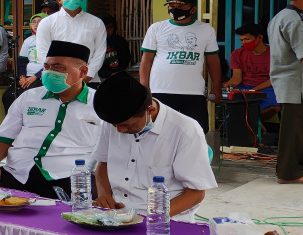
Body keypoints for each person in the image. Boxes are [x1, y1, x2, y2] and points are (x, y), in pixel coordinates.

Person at [0, 41, 102, 199]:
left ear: (82, 71)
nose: (49, 72)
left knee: (82, 215)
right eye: (46, 67)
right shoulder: (30, 97)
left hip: (70, 177)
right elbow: (5, 135)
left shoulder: (100, 104)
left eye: (58, 67)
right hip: (18, 172)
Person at [91, 72, 217, 222]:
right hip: (116, 217)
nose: (119, 130)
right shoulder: (116, 120)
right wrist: (104, 195)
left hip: (165, 223)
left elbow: (195, 193)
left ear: (150, 110)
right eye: (115, 125)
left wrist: (153, 218)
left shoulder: (185, 131)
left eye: (127, 125)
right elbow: (103, 163)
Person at [139, 0, 221, 134]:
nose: (174, 9)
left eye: (180, 6)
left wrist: (217, 87)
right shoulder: (156, 28)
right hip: (161, 90)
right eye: (171, 6)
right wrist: (144, 87)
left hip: (194, 92)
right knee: (158, 132)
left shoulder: (206, 30)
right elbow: (147, 59)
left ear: (193, 9)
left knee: (196, 132)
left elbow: (213, 60)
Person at [267, 0, 303, 183]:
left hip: (293, 83)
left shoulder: (282, 16)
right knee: (295, 133)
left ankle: (296, 170)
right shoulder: (299, 21)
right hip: (299, 84)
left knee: (298, 131)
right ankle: (289, 174)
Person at [35, 0, 107, 84]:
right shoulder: (47, 22)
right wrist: (59, 76)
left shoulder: (96, 23)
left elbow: (99, 53)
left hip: (88, 80)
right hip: (56, 80)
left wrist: (86, 76)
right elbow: (43, 53)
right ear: (59, 0)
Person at [223, 24, 280, 121]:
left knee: (275, 107)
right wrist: (228, 85)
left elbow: (274, 79)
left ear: (260, 37)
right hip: (245, 87)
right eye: (241, 40)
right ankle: (253, 126)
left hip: (268, 87)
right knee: (233, 108)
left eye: (247, 39)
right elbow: (237, 78)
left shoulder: (275, 54)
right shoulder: (237, 54)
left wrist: (254, 90)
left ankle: (255, 124)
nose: (244, 43)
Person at [2, 13, 47, 111]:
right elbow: (22, 62)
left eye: (39, 22)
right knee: (8, 96)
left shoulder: (51, 41)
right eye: (33, 22)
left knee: (26, 97)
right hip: (27, 77)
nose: (36, 24)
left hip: (43, 77)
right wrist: (22, 77)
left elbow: (52, 64)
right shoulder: (28, 41)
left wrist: (35, 77)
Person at [98, 14, 131, 81]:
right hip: (99, 77)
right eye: (104, 28)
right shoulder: (94, 42)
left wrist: (118, 73)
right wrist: (108, 74)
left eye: (109, 28)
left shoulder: (120, 41)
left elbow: (126, 58)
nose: (107, 31)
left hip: (119, 75)